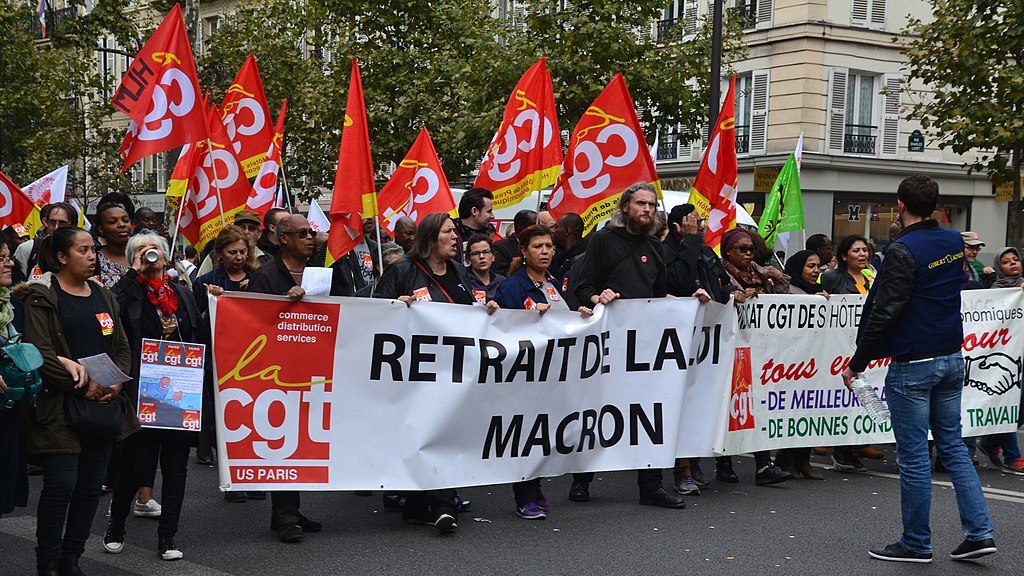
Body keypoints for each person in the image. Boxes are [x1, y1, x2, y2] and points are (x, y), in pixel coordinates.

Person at [843, 174, 995, 563]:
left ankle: (916, 542)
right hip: (949, 356)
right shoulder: (952, 242)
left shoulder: (902, 249)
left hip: (914, 363)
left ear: (901, 204)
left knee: (913, 457)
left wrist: (857, 362)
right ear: (936, 204)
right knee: (955, 449)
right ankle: (979, 533)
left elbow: (886, 311)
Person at [18, 226, 135, 576]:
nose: (92, 256)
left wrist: (115, 384)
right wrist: (81, 387)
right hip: (59, 407)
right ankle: (48, 563)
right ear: (61, 257)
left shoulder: (103, 294)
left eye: (92, 250)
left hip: (102, 407)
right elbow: (40, 351)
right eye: (82, 250)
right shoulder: (40, 295)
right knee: (62, 485)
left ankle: (71, 560)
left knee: (88, 488)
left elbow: (123, 346)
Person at [374, 212, 499, 533]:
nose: (456, 238)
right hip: (414, 375)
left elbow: (468, 310)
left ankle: (418, 505)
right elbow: (371, 312)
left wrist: (486, 312)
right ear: (431, 238)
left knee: (442, 434)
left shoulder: (458, 270)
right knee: (425, 434)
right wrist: (393, 307)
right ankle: (443, 504)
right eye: (448, 232)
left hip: (451, 373)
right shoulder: (402, 271)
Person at [570, 182, 684, 508]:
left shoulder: (656, 247)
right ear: (625, 207)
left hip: (645, 345)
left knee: (647, 413)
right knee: (600, 410)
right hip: (609, 343)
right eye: (641, 204)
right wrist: (597, 297)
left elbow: (659, 294)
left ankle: (651, 486)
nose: (647, 210)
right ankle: (582, 478)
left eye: (651, 205)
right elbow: (582, 285)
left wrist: (683, 304)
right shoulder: (604, 240)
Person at [104, 233, 200, 561]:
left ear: (166, 255)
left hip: (179, 392)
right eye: (143, 252)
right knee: (137, 464)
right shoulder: (129, 293)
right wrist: (134, 274)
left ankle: (168, 537)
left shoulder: (182, 293)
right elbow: (112, 309)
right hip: (142, 393)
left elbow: (198, 334)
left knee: (176, 468)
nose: (151, 256)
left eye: (155, 250)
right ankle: (116, 524)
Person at [494, 224, 592, 520]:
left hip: (552, 373)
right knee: (525, 434)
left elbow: (564, 321)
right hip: (525, 374)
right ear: (523, 252)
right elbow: (503, 328)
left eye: (549, 246)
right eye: (538, 246)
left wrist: (582, 315)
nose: (545, 252)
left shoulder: (553, 282)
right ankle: (524, 496)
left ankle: (535, 489)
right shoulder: (512, 287)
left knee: (542, 433)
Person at [244, 215, 325, 543]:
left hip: (315, 368)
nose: (310, 238)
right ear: (283, 239)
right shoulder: (265, 276)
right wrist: (283, 306)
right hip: (277, 374)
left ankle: (292, 508)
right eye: (302, 233)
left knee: (303, 440)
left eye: (311, 233)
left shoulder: (319, 274)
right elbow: (252, 323)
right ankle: (285, 515)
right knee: (282, 441)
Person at [718, 227, 792, 486]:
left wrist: (778, 277)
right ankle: (723, 464)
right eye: (743, 249)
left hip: (763, 349)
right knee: (730, 406)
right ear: (728, 251)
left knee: (758, 406)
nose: (749, 254)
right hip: (732, 349)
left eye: (752, 249)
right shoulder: (720, 273)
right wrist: (735, 296)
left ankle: (764, 465)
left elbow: (785, 299)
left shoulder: (761, 274)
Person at [192, 226, 259, 472]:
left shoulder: (259, 278)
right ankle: (230, 473)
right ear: (220, 254)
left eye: (242, 251)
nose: (238, 257)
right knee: (224, 417)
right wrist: (211, 301)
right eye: (232, 252)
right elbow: (195, 322)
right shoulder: (205, 283)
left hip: (253, 359)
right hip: (218, 359)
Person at [820, 235, 883, 470]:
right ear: (845, 255)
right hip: (839, 345)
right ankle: (841, 451)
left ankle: (855, 444)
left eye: (865, 250)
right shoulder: (831, 277)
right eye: (856, 250)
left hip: (865, 344)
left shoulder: (872, 276)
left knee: (864, 394)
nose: (862, 254)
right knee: (842, 398)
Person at [774, 250, 829, 481]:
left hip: (813, 361)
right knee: (792, 410)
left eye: (818, 266)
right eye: (810, 266)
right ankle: (786, 460)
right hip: (791, 361)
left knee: (809, 409)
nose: (816, 271)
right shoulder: (788, 291)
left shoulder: (819, 293)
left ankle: (803, 460)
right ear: (798, 268)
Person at [977, 247, 1024, 474]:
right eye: (1006, 262)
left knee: (1020, 408)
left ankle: (990, 440)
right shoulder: (996, 292)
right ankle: (1012, 455)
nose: (1013, 264)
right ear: (998, 267)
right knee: (1009, 403)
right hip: (1006, 356)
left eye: (1016, 259)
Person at [0, 236, 27, 519]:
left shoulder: (13, 304)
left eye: (8, 257)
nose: (9, 264)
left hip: (9, 407)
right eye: (1, 259)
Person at [15, 202, 79, 280]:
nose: (56, 227)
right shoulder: (27, 248)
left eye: (62, 223)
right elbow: (16, 284)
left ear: (73, 225)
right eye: (52, 222)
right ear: (45, 222)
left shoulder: (83, 252)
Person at [94, 203, 133, 288]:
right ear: (100, 229)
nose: (121, 225)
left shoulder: (144, 255)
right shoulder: (93, 259)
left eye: (125, 220)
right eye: (112, 222)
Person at [453, 188, 495, 261]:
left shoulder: (488, 236)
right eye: (489, 211)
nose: (492, 216)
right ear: (474, 211)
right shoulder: (452, 238)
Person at [491, 209, 536, 276]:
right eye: (534, 225)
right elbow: (500, 275)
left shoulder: (539, 247)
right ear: (521, 225)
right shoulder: (500, 247)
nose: (537, 228)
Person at [465, 234, 505, 302]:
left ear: (493, 256)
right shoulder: (463, 282)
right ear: (469, 259)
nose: (481, 256)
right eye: (475, 253)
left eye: (486, 252)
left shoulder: (503, 282)